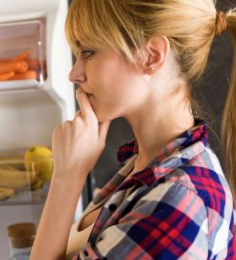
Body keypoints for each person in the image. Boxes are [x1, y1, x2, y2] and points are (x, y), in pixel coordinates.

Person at [29, 0, 236, 259]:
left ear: (152, 56)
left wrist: (67, 178)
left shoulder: (178, 202)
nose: (74, 74)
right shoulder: (143, 168)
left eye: (89, 52)